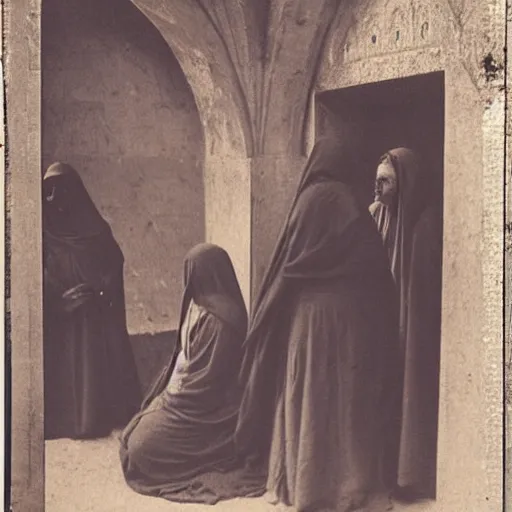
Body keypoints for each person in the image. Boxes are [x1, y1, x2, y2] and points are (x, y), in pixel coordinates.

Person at [235, 137, 402, 512]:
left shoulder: (305, 201)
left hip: (305, 318)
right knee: (345, 399)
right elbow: (374, 268)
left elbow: (287, 263)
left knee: (307, 392)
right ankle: (349, 486)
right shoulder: (349, 202)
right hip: (347, 318)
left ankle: (303, 485)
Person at [120, 243, 260, 504]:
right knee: (132, 436)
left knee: (141, 451)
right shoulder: (199, 308)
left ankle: (214, 453)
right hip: (186, 398)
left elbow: (209, 384)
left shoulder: (222, 321)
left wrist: (172, 401)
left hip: (213, 411)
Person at [43, 162, 141, 440]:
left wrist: (99, 292)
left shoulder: (97, 231)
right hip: (62, 318)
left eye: (60, 191)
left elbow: (114, 265)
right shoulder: (44, 234)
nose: (53, 199)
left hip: (95, 316)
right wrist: (59, 300)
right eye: (48, 192)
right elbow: (38, 273)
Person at [370, 148, 443, 500]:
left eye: (385, 182)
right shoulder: (375, 215)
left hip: (411, 324)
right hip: (380, 316)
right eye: (376, 180)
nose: (377, 189)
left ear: (405, 185)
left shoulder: (426, 225)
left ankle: (409, 476)